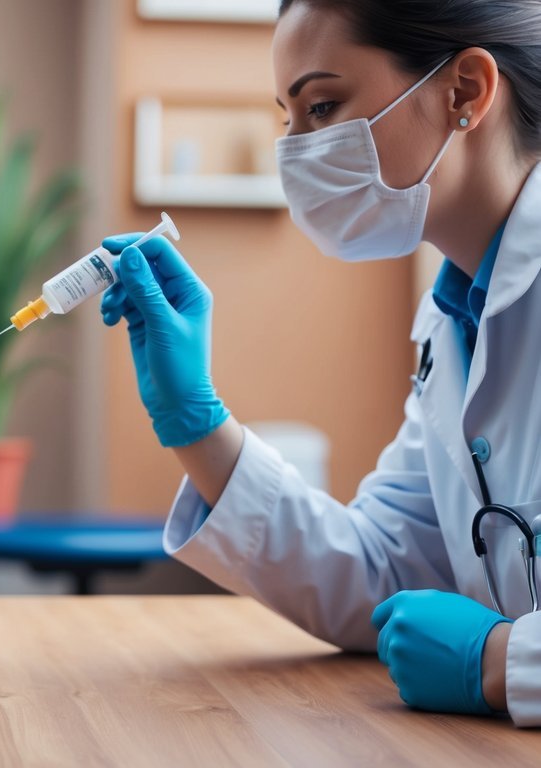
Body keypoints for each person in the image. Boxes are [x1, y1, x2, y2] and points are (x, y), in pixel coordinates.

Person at [100, 0, 541, 725]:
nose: (295, 151)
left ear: (463, 91)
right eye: (287, 118)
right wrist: (197, 423)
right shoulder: (454, 321)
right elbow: (378, 573)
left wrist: (501, 664)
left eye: (322, 105)